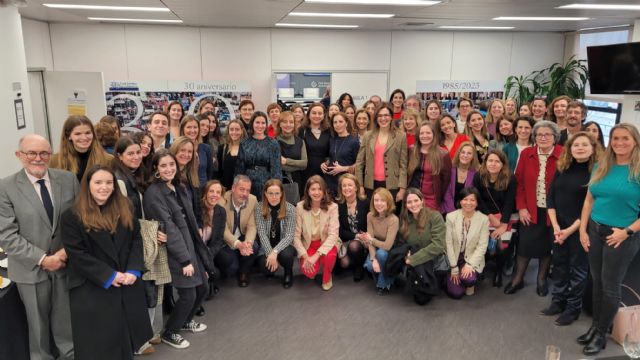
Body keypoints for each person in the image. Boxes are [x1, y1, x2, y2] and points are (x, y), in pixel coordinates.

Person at [60, 165, 152, 360]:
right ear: (88, 185)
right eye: (98, 182)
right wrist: (110, 275)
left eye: (109, 182)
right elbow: (77, 254)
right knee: (99, 347)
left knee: (126, 343)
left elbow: (136, 239)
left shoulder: (125, 206)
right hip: (93, 287)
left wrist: (134, 270)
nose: (104, 187)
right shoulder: (71, 215)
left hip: (126, 283)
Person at [0, 134, 78, 360]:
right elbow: (6, 234)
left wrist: (65, 252)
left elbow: (79, 221)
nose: (38, 158)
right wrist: (43, 259)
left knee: (66, 326)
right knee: (38, 330)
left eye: (43, 152)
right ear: (19, 155)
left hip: (65, 264)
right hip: (30, 271)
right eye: (31, 153)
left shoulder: (68, 179)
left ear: (50, 155)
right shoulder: (5, 187)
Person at [577, 124, 640, 356]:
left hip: (622, 236)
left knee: (611, 286)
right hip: (595, 229)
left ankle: (601, 333)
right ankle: (594, 327)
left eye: (625, 138)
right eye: (615, 138)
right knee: (597, 282)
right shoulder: (601, 165)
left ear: (635, 141)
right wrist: (583, 230)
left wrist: (627, 232)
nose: (619, 142)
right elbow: (589, 201)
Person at [143, 149, 210, 349]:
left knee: (203, 287)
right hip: (175, 251)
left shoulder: (178, 186)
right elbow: (169, 227)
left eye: (171, 164)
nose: (169, 169)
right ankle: (170, 332)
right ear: (155, 169)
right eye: (163, 165)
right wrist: (184, 259)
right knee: (188, 295)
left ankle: (186, 321)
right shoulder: (154, 194)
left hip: (190, 244)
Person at [541, 133, 598, 326]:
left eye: (584, 145)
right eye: (576, 145)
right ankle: (558, 301)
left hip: (581, 228)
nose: (580, 148)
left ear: (593, 148)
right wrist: (556, 226)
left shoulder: (597, 172)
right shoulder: (562, 167)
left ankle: (573, 309)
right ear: (570, 148)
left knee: (578, 270)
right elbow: (550, 197)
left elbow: (591, 205)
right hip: (558, 226)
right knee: (559, 265)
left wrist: (570, 230)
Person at [508, 121, 562, 295]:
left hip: (553, 212)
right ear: (534, 137)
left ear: (555, 138)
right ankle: (518, 279)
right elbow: (519, 184)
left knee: (547, 247)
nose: (543, 138)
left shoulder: (564, 154)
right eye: (539, 135)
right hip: (530, 210)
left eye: (548, 135)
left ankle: (541, 280)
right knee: (524, 246)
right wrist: (522, 208)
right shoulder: (527, 154)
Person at [473, 150, 517, 288]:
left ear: (502, 164)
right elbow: (478, 200)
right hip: (484, 216)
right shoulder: (478, 176)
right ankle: (481, 266)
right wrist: (491, 217)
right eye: (490, 160)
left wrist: (503, 224)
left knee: (502, 246)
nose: (493, 164)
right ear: (485, 162)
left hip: (506, 216)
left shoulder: (510, 178)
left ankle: (498, 271)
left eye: (497, 161)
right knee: (480, 241)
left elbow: (510, 202)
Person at [396, 188, 446, 305]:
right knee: (420, 298)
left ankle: (426, 282)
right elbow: (401, 243)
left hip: (433, 259)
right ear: (405, 205)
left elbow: (438, 245)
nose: (413, 205)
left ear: (422, 201)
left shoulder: (435, 216)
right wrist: (406, 254)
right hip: (412, 258)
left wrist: (413, 259)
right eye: (409, 202)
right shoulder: (404, 220)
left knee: (422, 298)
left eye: (416, 200)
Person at [293, 175, 339, 291]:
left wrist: (316, 256)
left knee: (330, 256)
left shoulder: (332, 207)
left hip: (326, 243)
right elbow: (296, 236)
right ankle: (317, 263)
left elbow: (333, 235)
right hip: (309, 244)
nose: (317, 192)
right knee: (309, 272)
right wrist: (305, 256)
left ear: (324, 191)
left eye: (320, 189)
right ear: (308, 191)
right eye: (313, 189)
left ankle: (327, 276)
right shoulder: (300, 207)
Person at [356, 103, 408, 204]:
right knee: (373, 214)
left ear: (391, 117)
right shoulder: (368, 135)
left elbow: (403, 164)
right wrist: (360, 186)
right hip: (370, 184)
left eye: (386, 115)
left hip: (392, 184)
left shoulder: (400, 136)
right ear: (376, 118)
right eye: (380, 116)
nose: (383, 118)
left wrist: (402, 189)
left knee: (390, 216)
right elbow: (359, 162)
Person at [444, 187, 489, 299]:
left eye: (472, 200)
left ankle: (468, 282)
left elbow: (482, 246)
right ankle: (453, 279)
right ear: (460, 201)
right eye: (465, 199)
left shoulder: (483, 219)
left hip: (471, 258)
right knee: (456, 293)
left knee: (469, 279)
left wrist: (470, 264)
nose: (468, 203)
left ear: (477, 202)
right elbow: (448, 243)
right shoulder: (451, 217)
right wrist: (453, 267)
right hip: (455, 257)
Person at [254, 179, 297, 288]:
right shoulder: (259, 208)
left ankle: (288, 273)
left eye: (277, 193)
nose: (274, 197)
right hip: (266, 245)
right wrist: (270, 253)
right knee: (265, 267)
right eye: (270, 193)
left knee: (287, 256)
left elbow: (289, 236)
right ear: (265, 193)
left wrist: (275, 252)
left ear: (282, 194)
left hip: (284, 245)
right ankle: (271, 270)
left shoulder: (291, 209)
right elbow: (262, 234)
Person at [218, 175, 259, 287]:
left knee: (253, 247)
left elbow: (252, 226)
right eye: (241, 189)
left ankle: (244, 272)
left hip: (243, 236)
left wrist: (248, 243)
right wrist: (238, 244)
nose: (245, 194)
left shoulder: (253, 200)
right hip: (227, 240)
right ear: (233, 188)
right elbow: (223, 229)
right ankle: (239, 262)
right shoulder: (222, 201)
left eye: (247, 190)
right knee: (231, 270)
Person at [50, 115, 113, 181]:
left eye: (88, 133)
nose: (84, 137)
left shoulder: (108, 160)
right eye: (78, 134)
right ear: (68, 136)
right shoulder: (55, 161)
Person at [361, 188, 399, 295]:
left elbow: (387, 245)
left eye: (382, 200)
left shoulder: (393, 219)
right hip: (375, 247)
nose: (379, 203)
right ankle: (389, 279)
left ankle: (382, 284)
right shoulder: (370, 216)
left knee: (381, 254)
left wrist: (371, 240)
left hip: (390, 249)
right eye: (376, 200)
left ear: (388, 202)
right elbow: (369, 240)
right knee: (370, 266)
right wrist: (373, 260)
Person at [236, 111, 282, 199]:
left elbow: (276, 170)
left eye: (263, 123)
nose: (260, 126)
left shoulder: (273, 143)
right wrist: (238, 185)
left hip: (266, 183)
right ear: (252, 123)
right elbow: (239, 168)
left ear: (266, 125)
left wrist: (274, 189)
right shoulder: (244, 143)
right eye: (257, 122)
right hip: (247, 184)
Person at [408, 122, 452, 212]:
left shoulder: (443, 154)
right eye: (422, 133)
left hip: (432, 198)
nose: (425, 136)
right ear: (418, 135)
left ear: (434, 135)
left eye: (428, 133)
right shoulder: (411, 150)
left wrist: (439, 197)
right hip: (413, 196)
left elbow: (446, 180)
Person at [336, 174, 369, 281]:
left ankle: (359, 267)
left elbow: (371, 224)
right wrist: (355, 235)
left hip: (364, 240)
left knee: (354, 246)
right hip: (347, 239)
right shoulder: (338, 205)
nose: (347, 188)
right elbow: (339, 230)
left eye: (350, 185)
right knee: (344, 264)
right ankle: (358, 260)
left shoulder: (365, 203)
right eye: (344, 186)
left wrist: (364, 236)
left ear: (356, 187)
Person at [200, 180, 226, 300]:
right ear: (205, 192)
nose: (214, 195)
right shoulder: (197, 210)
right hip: (196, 250)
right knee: (210, 274)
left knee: (216, 273)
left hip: (208, 250)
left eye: (218, 192)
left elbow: (219, 240)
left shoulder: (221, 211)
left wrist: (209, 255)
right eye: (211, 191)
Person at [322, 112, 359, 197]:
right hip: (330, 183)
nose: (337, 125)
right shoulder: (332, 140)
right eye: (335, 122)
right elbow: (329, 156)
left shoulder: (354, 142)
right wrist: (324, 163)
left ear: (346, 123)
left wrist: (343, 168)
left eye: (340, 122)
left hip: (346, 184)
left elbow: (359, 164)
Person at [276, 111, 307, 199]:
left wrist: (286, 161)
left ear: (294, 124)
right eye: (285, 122)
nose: (288, 124)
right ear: (280, 124)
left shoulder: (300, 141)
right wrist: (298, 165)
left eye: (291, 122)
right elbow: (278, 166)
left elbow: (304, 164)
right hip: (280, 180)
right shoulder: (274, 142)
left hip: (297, 182)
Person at [442, 141, 480, 214]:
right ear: (459, 153)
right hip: (448, 211)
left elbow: (475, 198)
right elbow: (447, 195)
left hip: (468, 212)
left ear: (473, 157)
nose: (465, 155)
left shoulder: (476, 174)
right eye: (463, 152)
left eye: (469, 153)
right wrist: (454, 214)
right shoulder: (450, 170)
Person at [300, 103, 331, 187]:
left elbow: (332, 152)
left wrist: (328, 161)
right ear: (308, 114)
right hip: (306, 171)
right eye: (314, 113)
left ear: (324, 115)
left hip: (324, 171)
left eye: (320, 113)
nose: (317, 116)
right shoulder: (301, 130)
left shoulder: (329, 131)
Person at [180, 115, 214, 186]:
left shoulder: (206, 148)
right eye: (189, 127)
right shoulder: (176, 147)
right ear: (183, 129)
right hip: (184, 191)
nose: (192, 130)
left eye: (195, 127)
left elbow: (209, 173)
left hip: (202, 190)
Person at [218, 119, 247, 190]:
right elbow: (219, 171)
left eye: (237, 129)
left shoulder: (248, 148)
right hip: (226, 189)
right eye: (231, 129)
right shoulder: (222, 148)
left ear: (242, 131)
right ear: (228, 131)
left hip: (243, 189)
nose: (234, 132)